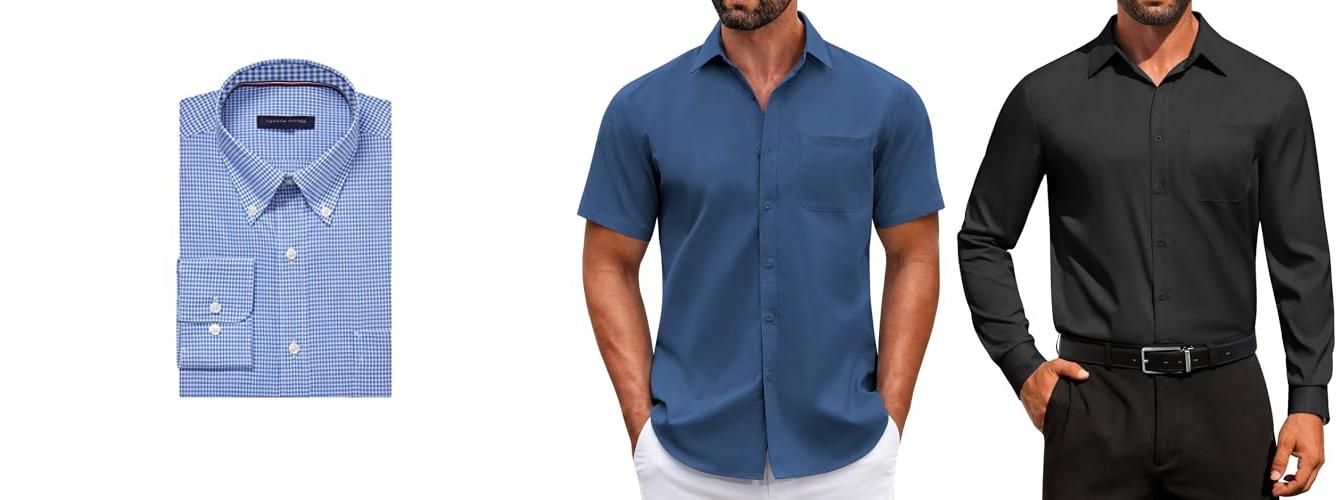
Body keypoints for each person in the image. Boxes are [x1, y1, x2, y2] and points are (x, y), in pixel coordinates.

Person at [959, 1, 1331, 498]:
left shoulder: (1270, 95)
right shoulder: (1044, 96)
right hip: (1094, 403)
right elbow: (983, 239)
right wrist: (1022, 366)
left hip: (1226, 406)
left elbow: (1300, 257)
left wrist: (1308, 397)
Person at [579, 1, 942, 497]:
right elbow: (609, 263)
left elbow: (913, 256)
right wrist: (642, 428)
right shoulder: (640, 109)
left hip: (847, 460)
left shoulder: (887, 104)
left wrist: (891, 422)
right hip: (686, 462)